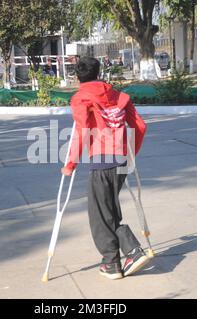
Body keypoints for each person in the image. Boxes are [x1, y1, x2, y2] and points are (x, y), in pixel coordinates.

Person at [61, 57, 149, 280]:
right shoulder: (118, 95)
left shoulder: (80, 98)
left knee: (99, 214)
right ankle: (123, 256)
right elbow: (140, 126)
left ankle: (117, 259)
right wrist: (130, 153)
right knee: (108, 208)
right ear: (98, 72)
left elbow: (81, 132)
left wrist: (70, 163)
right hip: (120, 160)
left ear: (77, 76)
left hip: (102, 162)